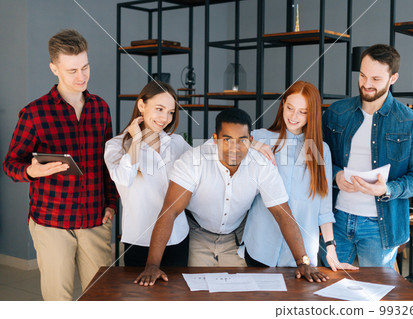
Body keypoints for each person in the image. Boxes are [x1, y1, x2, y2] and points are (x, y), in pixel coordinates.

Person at [134, 108, 329, 286]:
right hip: (198, 235)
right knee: (196, 295)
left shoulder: (261, 165)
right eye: (227, 140)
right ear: (216, 138)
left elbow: (282, 213)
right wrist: (152, 265)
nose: (235, 148)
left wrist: (303, 262)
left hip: (235, 238)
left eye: (242, 140)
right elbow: (170, 211)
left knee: (239, 295)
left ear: (250, 140)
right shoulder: (193, 161)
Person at [3, 29, 119, 300]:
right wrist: (31, 171)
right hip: (51, 222)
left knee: (102, 298)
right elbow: (11, 163)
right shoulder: (34, 113)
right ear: (54, 68)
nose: (81, 77)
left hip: (95, 220)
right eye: (72, 71)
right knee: (59, 300)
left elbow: (108, 164)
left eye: (85, 67)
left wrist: (111, 203)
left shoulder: (101, 108)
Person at [322, 44, 413, 268]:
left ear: (393, 78)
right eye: (363, 75)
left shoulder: (412, 123)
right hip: (336, 219)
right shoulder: (336, 113)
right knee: (328, 291)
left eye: (376, 78)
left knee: (375, 295)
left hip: (381, 226)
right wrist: (336, 175)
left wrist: (387, 189)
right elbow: (316, 156)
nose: (367, 84)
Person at [242, 81, 357, 271]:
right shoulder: (261, 137)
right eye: (290, 108)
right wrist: (255, 145)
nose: (294, 117)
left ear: (312, 114)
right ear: (283, 105)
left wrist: (330, 248)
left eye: (303, 112)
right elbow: (224, 142)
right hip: (260, 245)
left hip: (301, 253)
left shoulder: (321, 151)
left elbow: (324, 207)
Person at [104, 80, 191, 267]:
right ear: (141, 105)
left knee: (175, 295)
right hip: (139, 240)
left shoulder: (176, 143)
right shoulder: (116, 146)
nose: (165, 118)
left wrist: (251, 143)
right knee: (139, 295)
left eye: (170, 112)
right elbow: (123, 179)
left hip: (177, 236)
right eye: (159, 109)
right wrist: (136, 141)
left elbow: (209, 159)